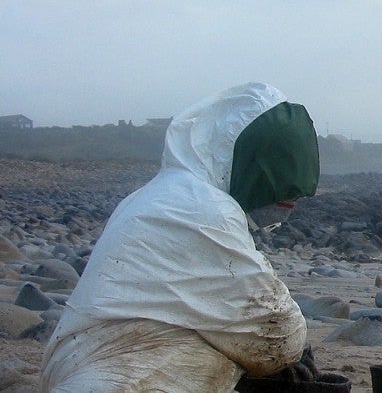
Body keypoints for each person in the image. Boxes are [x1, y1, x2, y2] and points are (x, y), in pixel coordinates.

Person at [39, 82, 320, 392]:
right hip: (125, 377)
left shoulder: (150, 197)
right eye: (283, 194)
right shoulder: (206, 210)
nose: (285, 207)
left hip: (74, 367)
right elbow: (278, 332)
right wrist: (293, 354)